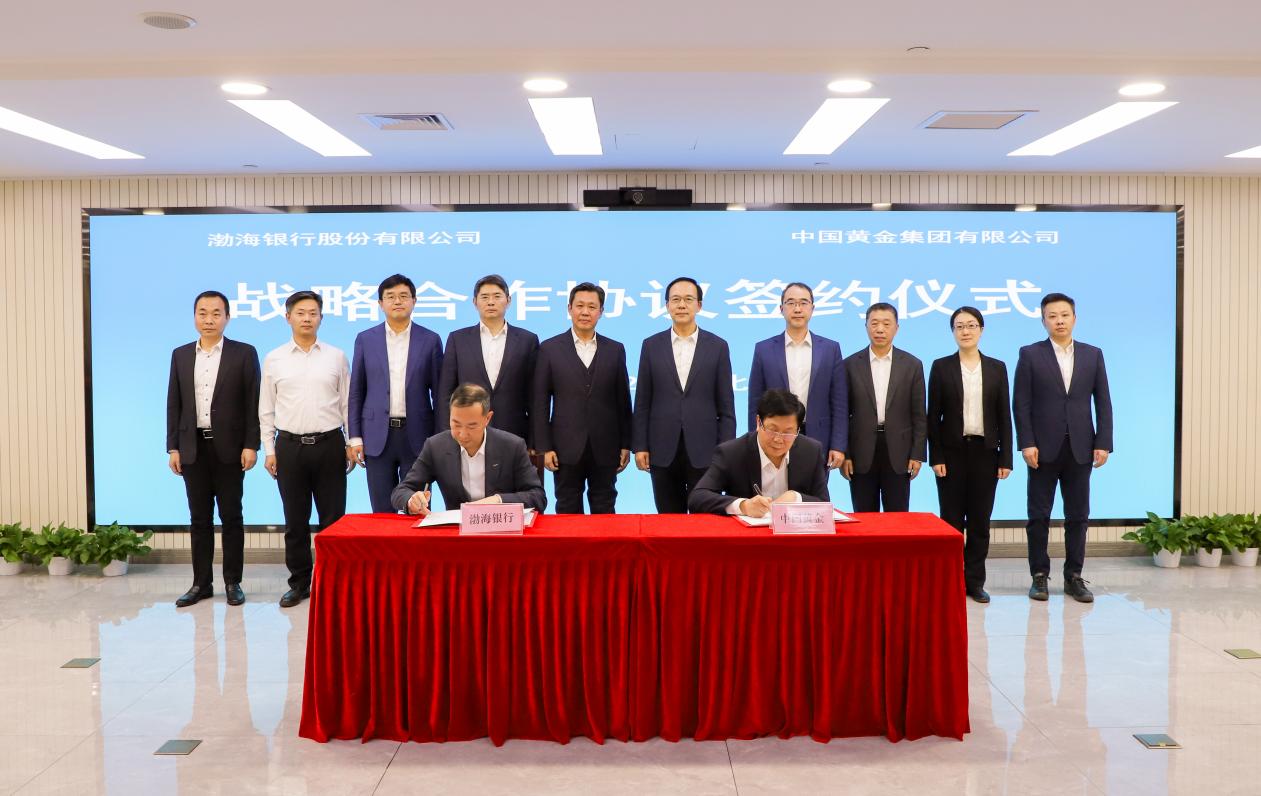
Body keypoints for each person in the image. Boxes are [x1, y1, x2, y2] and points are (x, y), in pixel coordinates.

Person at [1014, 292, 1113, 604]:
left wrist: (1104, 442)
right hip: (1042, 449)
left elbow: (1103, 401)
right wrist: (1026, 442)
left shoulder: (1093, 354)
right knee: (1038, 515)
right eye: (1052, 316)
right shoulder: (1030, 354)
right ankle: (1039, 575)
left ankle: (1074, 576)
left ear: (1074, 318)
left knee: (1078, 515)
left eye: (1064, 315)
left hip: (1081, 447)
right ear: (1043, 320)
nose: (1059, 321)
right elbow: (1021, 403)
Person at [165, 290, 260, 607]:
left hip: (230, 449)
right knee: (199, 519)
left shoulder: (243, 353)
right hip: (193, 448)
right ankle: (201, 583)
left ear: (227, 318)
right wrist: (173, 447)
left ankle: (233, 582)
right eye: (203, 313)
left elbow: (252, 403)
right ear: (194, 317)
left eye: (216, 313)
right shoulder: (180, 355)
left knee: (232, 517)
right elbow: (174, 403)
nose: (209, 319)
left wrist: (251, 444)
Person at [259, 290, 354, 608]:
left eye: (313, 313)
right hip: (289, 447)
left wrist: (351, 442)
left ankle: (333, 583)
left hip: (330, 445)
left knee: (333, 521)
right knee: (295, 521)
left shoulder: (336, 356)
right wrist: (269, 449)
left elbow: (347, 404)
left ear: (321, 318)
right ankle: (299, 583)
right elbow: (266, 408)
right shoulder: (274, 358)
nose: (307, 318)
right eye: (300, 313)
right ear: (288, 317)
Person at [927, 306, 1013, 603]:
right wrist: (936, 457)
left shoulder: (997, 367)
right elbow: (933, 417)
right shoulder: (941, 367)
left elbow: (1004, 416)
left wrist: (1005, 457)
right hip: (951, 454)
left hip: (986, 453)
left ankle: (975, 582)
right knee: (951, 521)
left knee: (979, 521)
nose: (966, 331)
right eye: (960, 326)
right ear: (953, 332)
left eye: (971, 325)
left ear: (981, 330)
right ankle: (950, 580)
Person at [632, 276, 737, 512]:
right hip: (661, 449)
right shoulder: (651, 345)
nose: (681, 305)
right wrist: (640, 445)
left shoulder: (718, 346)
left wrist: (726, 452)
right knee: (668, 520)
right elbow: (642, 402)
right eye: (676, 299)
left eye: (688, 299)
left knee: (704, 518)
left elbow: (726, 407)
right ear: (667, 305)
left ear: (699, 305)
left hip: (706, 450)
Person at [532, 282, 632, 514]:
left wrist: (626, 444)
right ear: (569, 308)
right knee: (567, 508)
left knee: (605, 507)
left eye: (592, 307)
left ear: (601, 311)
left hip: (606, 446)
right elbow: (540, 403)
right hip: (564, 447)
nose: (585, 312)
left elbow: (623, 401)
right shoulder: (549, 349)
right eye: (579, 306)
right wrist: (544, 447)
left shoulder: (615, 350)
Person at [348, 274, 443, 513]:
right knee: (382, 510)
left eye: (403, 296)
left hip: (418, 436)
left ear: (414, 301)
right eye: (390, 297)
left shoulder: (430, 340)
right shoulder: (365, 339)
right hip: (376, 436)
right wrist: (355, 437)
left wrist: (441, 438)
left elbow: (440, 395)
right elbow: (357, 391)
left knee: (418, 508)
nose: (397, 301)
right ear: (381, 303)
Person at [391, 383, 547, 515]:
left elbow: (538, 497)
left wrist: (498, 501)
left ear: (487, 418)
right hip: (456, 533)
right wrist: (412, 500)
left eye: (471, 426)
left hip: (501, 532)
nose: (463, 434)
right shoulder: (435, 446)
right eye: (456, 424)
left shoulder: (512, 446)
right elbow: (401, 491)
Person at [747, 282, 848, 470]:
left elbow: (839, 403)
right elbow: (755, 401)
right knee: (775, 487)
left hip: (818, 436)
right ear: (781, 309)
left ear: (812, 308)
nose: (797, 309)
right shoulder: (764, 349)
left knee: (814, 488)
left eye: (803, 303)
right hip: (776, 436)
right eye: (791, 303)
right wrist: (755, 440)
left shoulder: (830, 349)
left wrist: (838, 445)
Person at [435, 274, 540, 448]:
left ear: (508, 300)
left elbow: (535, 396)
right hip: (466, 435)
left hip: (515, 435)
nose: (491, 302)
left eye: (497, 296)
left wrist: (536, 442)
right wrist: (448, 437)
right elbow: (446, 394)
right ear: (475, 302)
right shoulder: (458, 339)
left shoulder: (527, 340)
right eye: (484, 297)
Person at [689, 389, 829, 516]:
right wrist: (743, 506)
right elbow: (697, 498)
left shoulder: (811, 451)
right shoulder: (732, 453)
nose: (778, 439)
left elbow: (824, 503)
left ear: (798, 430)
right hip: (745, 534)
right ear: (758, 422)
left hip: (793, 533)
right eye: (772, 429)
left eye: (788, 432)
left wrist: (796, 498)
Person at [842, 302, 927, 512]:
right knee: (864, 516)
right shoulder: (850, 365)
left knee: (898, 516)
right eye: (874, 323)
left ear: (896, 328)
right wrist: (846, 454)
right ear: (866, 326)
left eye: (886, 324)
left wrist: (917, 454)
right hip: (861, 452)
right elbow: (843, 414)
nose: (880, 329)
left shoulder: (912, 365)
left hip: (899, 452)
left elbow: (919, 415)